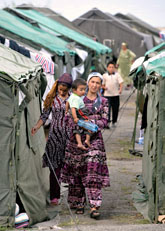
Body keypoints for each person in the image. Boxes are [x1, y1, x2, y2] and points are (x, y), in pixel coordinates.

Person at [61, 72, 110, 219]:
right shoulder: (76, 98)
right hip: (76, 140)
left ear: (101, 85)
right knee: (77, 171)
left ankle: (94, 206)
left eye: (98, 82)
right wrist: (78, 123)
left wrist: (92, 124)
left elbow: (105, 120)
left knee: (93, 169)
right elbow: (67, 117)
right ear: (87, 83)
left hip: (95, 139)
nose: (95, 85)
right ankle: (78, 202)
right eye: (92, 82)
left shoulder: (103, 102)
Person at [31, 73, 72, 205]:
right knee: (54, 168)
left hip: (68, 137)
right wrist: (36, 127)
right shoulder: (52, 99)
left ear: (69, 89)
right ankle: (54, 196)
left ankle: (74, 196)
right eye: (60, 88)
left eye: (64, 89)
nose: (62, 91)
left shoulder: (73, 99)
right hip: (54, 137)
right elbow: (44, 116)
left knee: (69, 167)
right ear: (57, 86)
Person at [66, 78, 92, 150]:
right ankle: (87, 140)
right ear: (74, 90)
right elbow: (73, 108)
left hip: (79, 113)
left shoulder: (72, 96)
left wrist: (66, 110)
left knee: (76, 129)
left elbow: (67, 102)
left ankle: (79, 143)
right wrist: (75, 118)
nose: (83, 92)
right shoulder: (76, 99)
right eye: (81, 90)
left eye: (84, 89)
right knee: (89, 126)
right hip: (81, 113)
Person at [102, 61, 123, 128]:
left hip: (115, 95)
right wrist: (104, 87)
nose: (111, 68)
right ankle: (107, 122)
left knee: (115, 109)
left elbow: (121, 83)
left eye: (112, 67)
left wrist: (120, 90)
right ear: (107, 68)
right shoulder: (104, 75)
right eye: (110, 67)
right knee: (107, 109)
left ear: (114, 68)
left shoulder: (117, 75)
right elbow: (102, 84)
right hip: (107, 95)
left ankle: (114, 121)